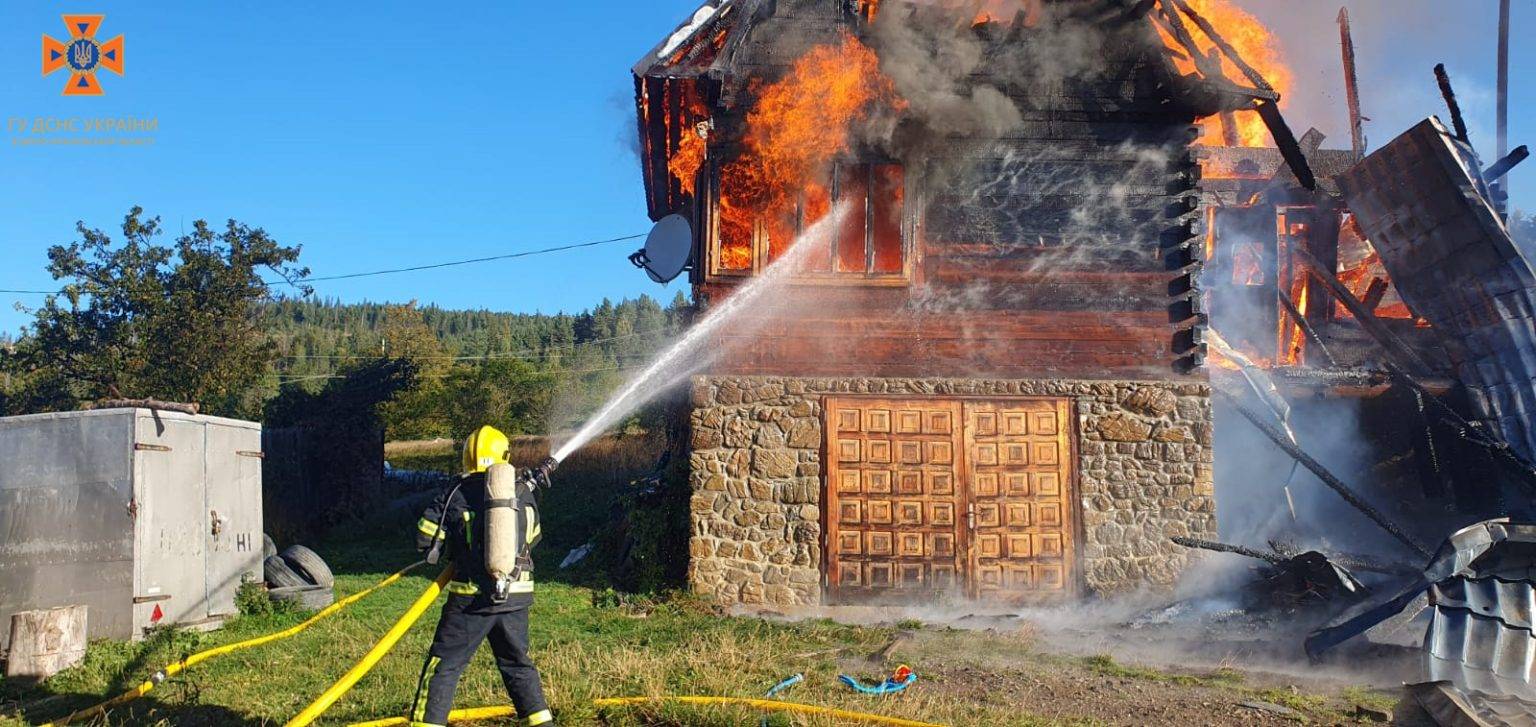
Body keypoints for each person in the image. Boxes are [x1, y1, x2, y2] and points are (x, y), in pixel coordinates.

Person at [410, 425, 552, 727]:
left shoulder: (456, 492)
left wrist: (458, 540)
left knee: (443, 667)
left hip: (471, 599)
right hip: (516, 596)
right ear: (505, 456)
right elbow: (534, 537)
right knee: (518, 666)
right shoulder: (521, 489)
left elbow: (424, 537)